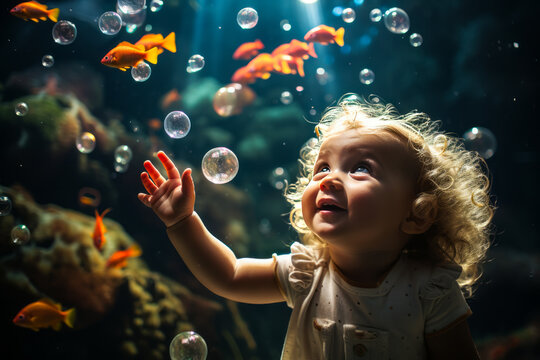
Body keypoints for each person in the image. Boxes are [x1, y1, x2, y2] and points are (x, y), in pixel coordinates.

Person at [138, 95, 494, 359]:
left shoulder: (427, 291)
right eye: (321, 167)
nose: (328, 179)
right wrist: (183, 222)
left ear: (417, 213)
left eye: (361, 168)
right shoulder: (306, 274)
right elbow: (228, 275)